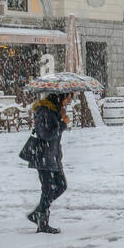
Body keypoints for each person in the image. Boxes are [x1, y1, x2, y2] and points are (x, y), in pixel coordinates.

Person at [28, 92, 69, 234]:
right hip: (44, 156)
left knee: (61, 186)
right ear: (60, 98)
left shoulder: (54, 111)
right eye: (68, 98)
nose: (69, 101)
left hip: (53, 157)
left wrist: (61, 117)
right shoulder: (44, 111)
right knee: (49, 188)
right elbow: (46, 135)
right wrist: (62, 124)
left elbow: (54, 134)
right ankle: (42, 223)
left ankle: (38, 213)